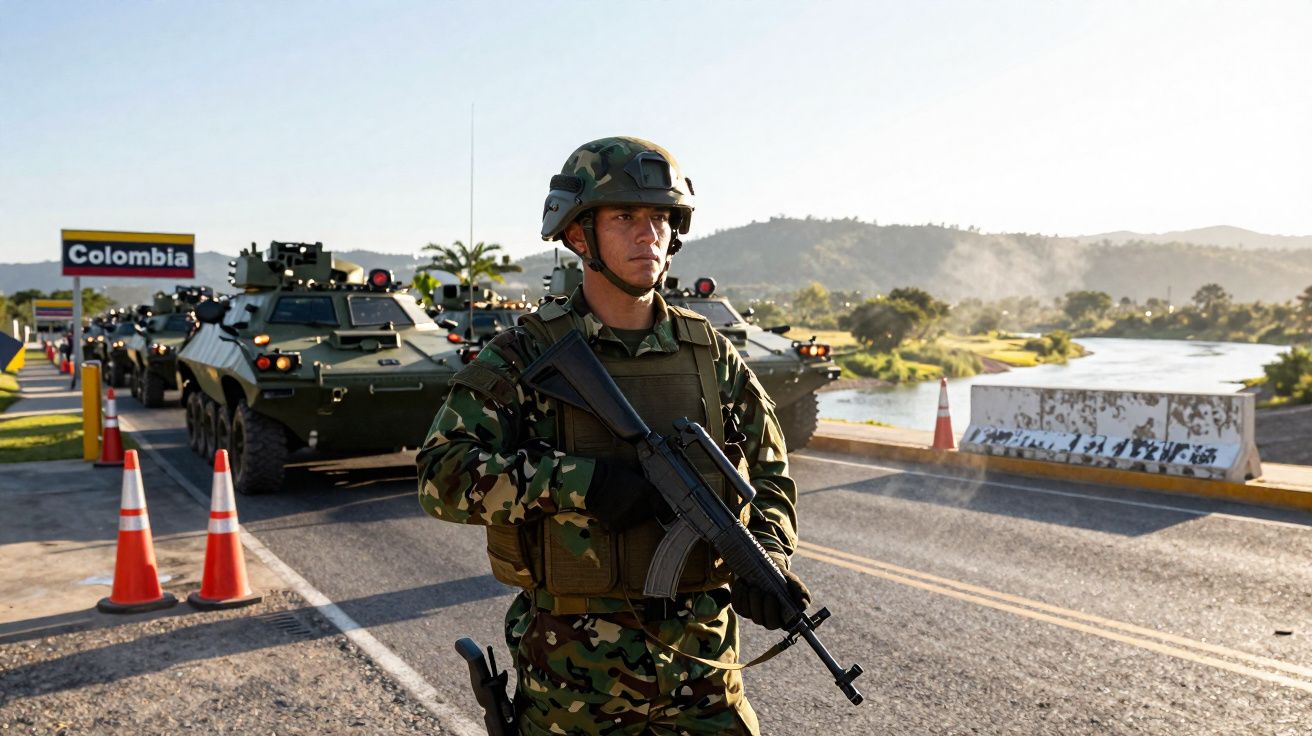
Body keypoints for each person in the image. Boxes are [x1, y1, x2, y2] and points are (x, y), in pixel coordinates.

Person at [417, 136, 808, 735]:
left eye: (659, 218)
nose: (646, 234)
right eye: (624, 217)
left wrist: (768, 555)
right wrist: (580, 483)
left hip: (703, 671)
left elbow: (772, 474)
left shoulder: (712, 355)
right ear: (579, 236)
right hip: (576, 678)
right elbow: (441, 476)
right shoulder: (525, 355)